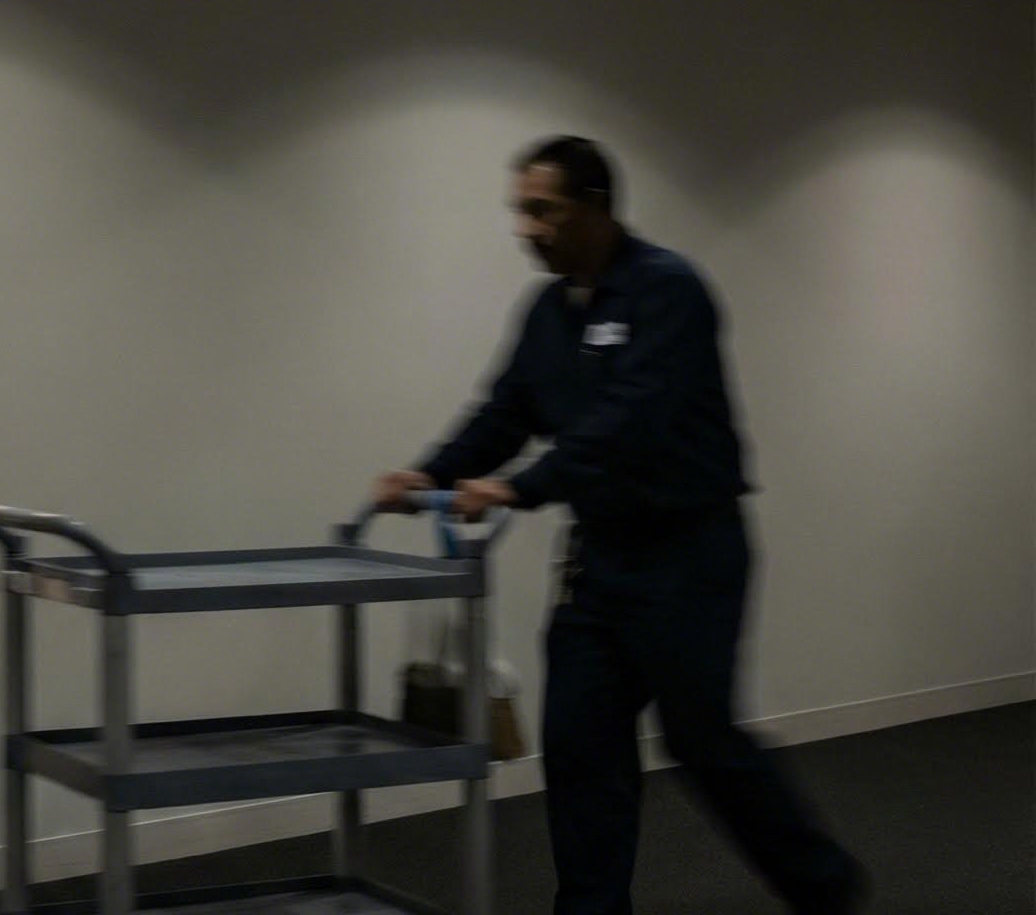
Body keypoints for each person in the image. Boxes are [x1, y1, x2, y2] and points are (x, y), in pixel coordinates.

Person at [371, 137, 867, 915]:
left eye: (544, 211)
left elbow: (625, 424)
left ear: (596, 209)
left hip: (689, 556)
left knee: (701, 742)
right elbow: (505, 410)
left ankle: (825, 887)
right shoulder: (545, 310)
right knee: (580, 746)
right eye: (520, 212)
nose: (527, 228)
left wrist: (518, 489)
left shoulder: (667, 291)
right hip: (599, 565)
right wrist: (427, 474)